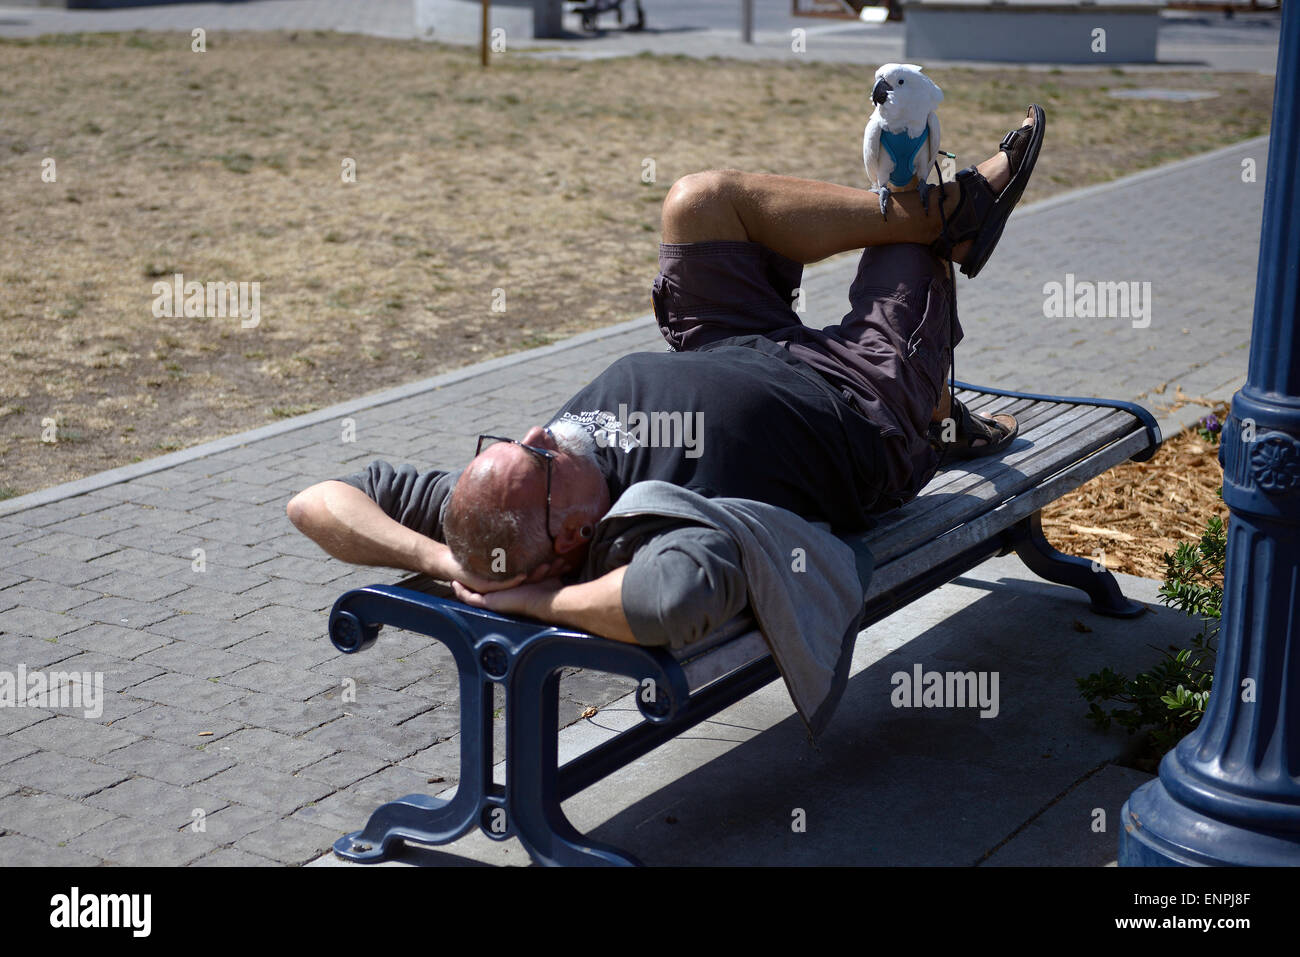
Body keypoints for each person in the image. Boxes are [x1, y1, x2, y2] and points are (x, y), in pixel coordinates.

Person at [288, 107, 1045, 652]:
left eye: (520, 445)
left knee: (697, 200)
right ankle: (940, 254)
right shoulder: (633, 545)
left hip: (737, 340)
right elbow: (667, 602)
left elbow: (313, 502)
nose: (536, 434)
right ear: (570, 541)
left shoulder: (490, 512)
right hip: (862, 403)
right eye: (546, 464)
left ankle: (932, 213)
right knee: (919, 248)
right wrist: (533, 600)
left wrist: (440, 560)